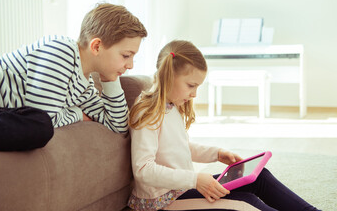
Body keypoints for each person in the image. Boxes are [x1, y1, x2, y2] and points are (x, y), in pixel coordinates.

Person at [127, 40, 320, 211]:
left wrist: (216, 154)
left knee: (259, 177)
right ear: (168, 77)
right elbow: (143, 169)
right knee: (247, 203)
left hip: (181, 189)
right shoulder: (148, 111)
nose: (194, 94)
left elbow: (178, 147)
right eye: (191, 85)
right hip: (162, 201)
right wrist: (194, 180)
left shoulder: (172, 105)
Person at [0, 3, 147, 151]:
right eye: (126, 55)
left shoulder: (85, 86)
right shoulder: (63, 52)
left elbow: (118, 125)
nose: (130, 65)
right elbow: (42, 117)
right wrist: (78, 113)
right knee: (41, 127)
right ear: (96, 47)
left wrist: (110, 79)